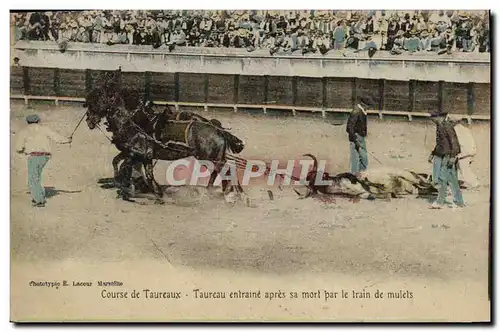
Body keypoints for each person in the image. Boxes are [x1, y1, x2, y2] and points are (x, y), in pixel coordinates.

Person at [15, 114, 72, 207]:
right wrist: (67, 140)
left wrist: (22, 150)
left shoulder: (24, 131)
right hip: (45, 157)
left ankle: (39, 200)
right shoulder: (44, 129)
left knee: (32, 179)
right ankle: (38, 196)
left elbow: (18, 148)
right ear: (38, 121)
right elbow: (57, 138)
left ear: (27, 122)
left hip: (33, 157)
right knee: (36, 177)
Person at [428, 110, 465, 209]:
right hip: (442, 155)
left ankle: (440, 202)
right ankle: (459, 202)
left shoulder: (447, 126)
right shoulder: (440, 125)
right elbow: (441, 143)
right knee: (452, 180)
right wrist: (433, 153)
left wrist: (453, 157)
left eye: (433, 117)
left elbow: (454, 143)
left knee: (441, 178)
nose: (431, 119)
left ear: (439, 117)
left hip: (448, 156)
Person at [346, 96, 375, 175]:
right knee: (355, 158)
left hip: (361, 137)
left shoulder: (361, 111)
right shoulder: (356, 112)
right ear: (364, 105)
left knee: (364, 158)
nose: (369, 108)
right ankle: (355, 177)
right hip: (355, 137)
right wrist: (354, 140)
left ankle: (361, 174)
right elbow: (349, 127)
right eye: (368, 106)